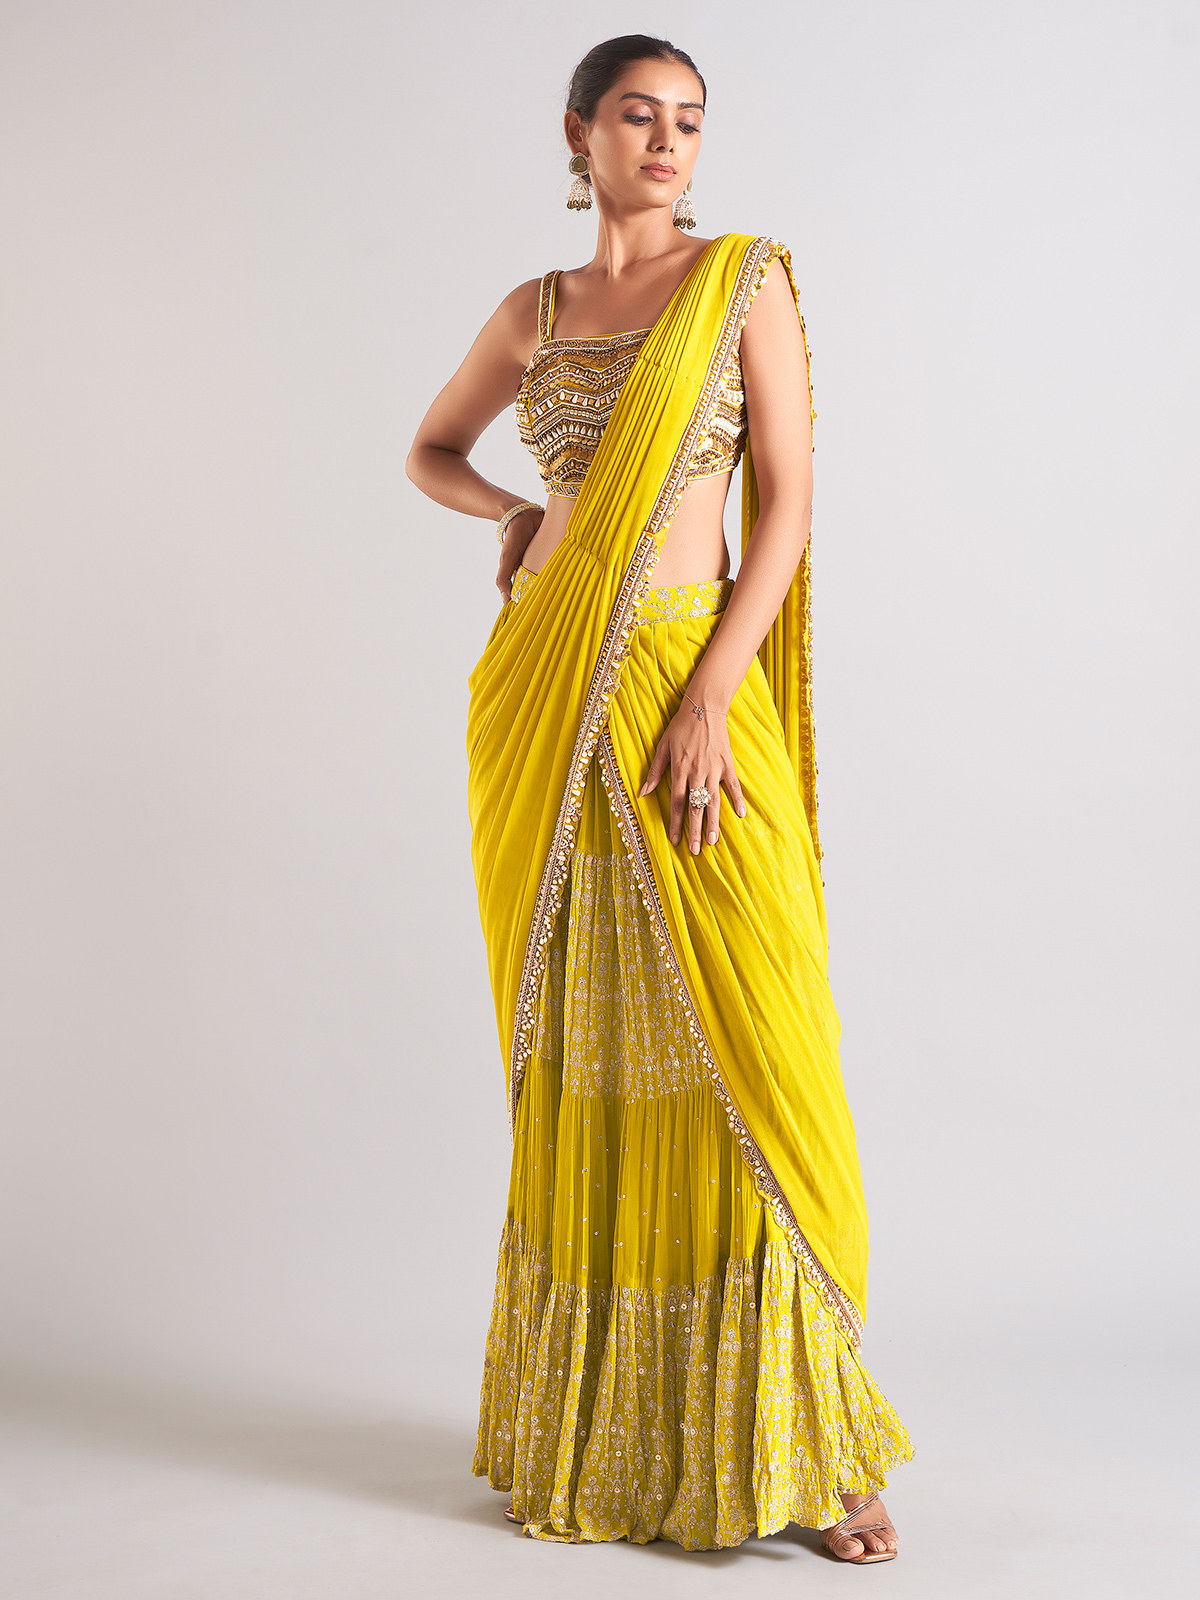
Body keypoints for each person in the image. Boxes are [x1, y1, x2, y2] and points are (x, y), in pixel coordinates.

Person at [406, 33, 912, 1562]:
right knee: (596, 1037)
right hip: (549, 696)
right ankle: (610, 1427)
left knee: (765, 1033)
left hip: (696, 686)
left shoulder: (741, 282)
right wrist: (511, 515)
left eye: (690, 119)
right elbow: (429, 450)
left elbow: (788, 505)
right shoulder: (535, 311)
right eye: (639, 115)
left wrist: (708, 697)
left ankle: (812, 1442)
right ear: (581, 134)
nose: (669, 141)